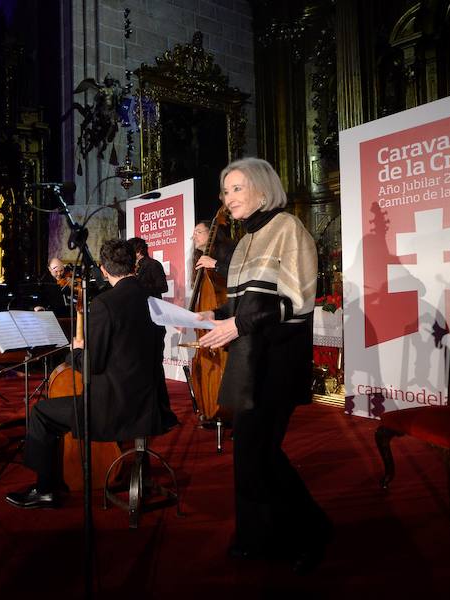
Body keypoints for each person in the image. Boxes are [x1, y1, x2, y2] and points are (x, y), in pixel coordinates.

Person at [197, 157, 331, 574]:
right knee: (249, 454)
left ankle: (312, 531)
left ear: (262, 189)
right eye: (225, 190)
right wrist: (212, 315)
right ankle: (259, 536)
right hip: (248, 359)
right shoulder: (243, 241)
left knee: (261, 453)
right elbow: (244, 303)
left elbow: (296, 302)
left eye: (237, 188)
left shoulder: (287, 228)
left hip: (277, 360)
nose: (228, 197)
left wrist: (235, 323)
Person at [5, 239, 178, 509]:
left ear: (103, 268)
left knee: (41, 413)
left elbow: (92, 365)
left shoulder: (105, 304)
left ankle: (45, 489)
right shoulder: (152, 298)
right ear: (134, 263)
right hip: (152, 404)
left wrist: (75, 351)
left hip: (114, 408)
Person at [191, 219, 234, 285]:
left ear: (211, 232)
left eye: (198, 232)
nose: (194, 237)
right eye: (193, 234)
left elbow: (239, 274)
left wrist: (215, 264)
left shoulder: (228, 249)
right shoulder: (198, 258)